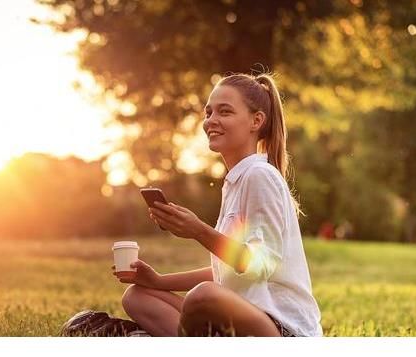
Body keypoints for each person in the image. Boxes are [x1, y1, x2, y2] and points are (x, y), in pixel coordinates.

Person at [111, 73, 322, 337]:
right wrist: (158, 281)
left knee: (203, 297)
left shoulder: (259, 176)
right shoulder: (235, 181)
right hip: (239, 320)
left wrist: (198, 231)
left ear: (256, 121)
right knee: (137, 297)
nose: (211, 121)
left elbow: (259, 265)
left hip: (283, 329)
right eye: (208, 112)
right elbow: (226, 271)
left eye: (225, 112)